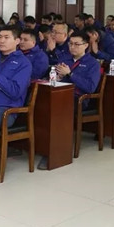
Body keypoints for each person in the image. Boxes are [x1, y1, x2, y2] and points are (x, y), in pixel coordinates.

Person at [38, 31, 100, 170]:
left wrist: (70, 74)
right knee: (37, 104)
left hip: (78, 99)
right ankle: (38, 145)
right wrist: (57, 77)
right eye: (70, 44)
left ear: (86, 45)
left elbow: (90, 87)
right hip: (59, 94)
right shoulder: (65, 59)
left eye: (76, 44)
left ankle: (53, 152)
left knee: (56, 112)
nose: (72, 47)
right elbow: (55, 77)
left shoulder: (92, 64)